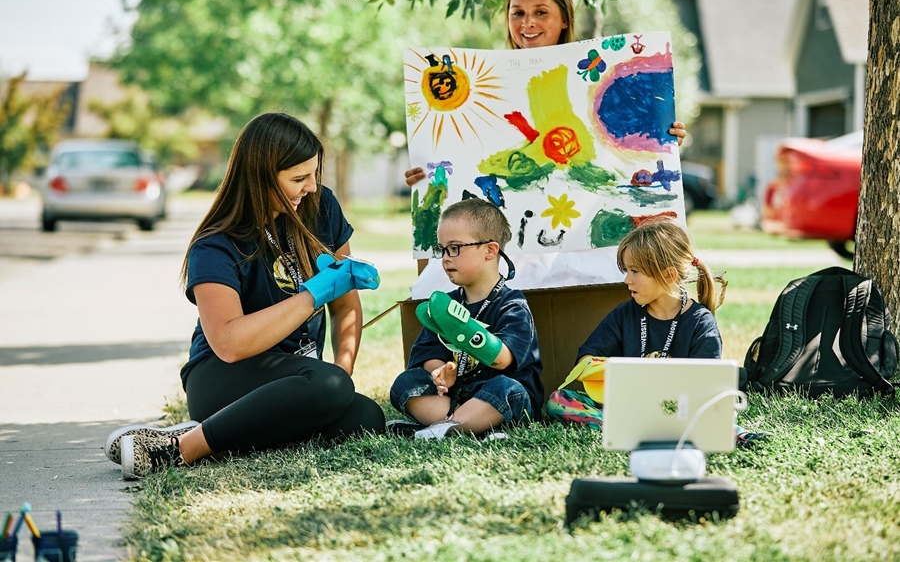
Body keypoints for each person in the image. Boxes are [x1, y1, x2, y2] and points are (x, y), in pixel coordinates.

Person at [105, 112, 384, 479]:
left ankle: (219, 432)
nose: (312, 187)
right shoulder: (215, 245)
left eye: (314, 174)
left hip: (299, 377)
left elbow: (345, 304)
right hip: (222, 376)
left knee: (365, 417)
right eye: (299, 179)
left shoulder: (321, 207)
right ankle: (178, 449)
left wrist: (342, 374)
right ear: (261, 176)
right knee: (328, 386)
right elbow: (229, 343)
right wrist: (313, 295)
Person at [404, 0, 687, 187]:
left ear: (564, 19)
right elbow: (466, 154)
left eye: (540, 12)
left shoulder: (593, 79)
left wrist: (663, 140)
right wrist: (425, 175)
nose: (527, 22)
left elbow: (615, 159)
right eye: (517, 13)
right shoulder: (485, 82)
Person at [546, 218, 726, 427]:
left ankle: (625, 426)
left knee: (717, 418)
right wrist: (610, 371)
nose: (627, 280)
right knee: (558, 400)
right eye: (626, 271)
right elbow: (586, 357)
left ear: (668, 275)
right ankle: (628, 424)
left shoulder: (700, 322)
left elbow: (706, 384)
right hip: (626, 405)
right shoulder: (625, 314)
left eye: (635, 271)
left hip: (678, 409)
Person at [389, 198, 543, 439]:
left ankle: (443, 428)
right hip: (454, 398)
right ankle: (457, 426)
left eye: (455, 248)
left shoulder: (513, 305)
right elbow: (428, 353)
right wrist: (441, 371)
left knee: (507, 389)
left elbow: (502, 359)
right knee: (406, 383)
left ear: (490, 250)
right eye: (441, 249)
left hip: (500, 398)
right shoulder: (444, 305)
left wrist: (462, 330)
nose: (445, 258)